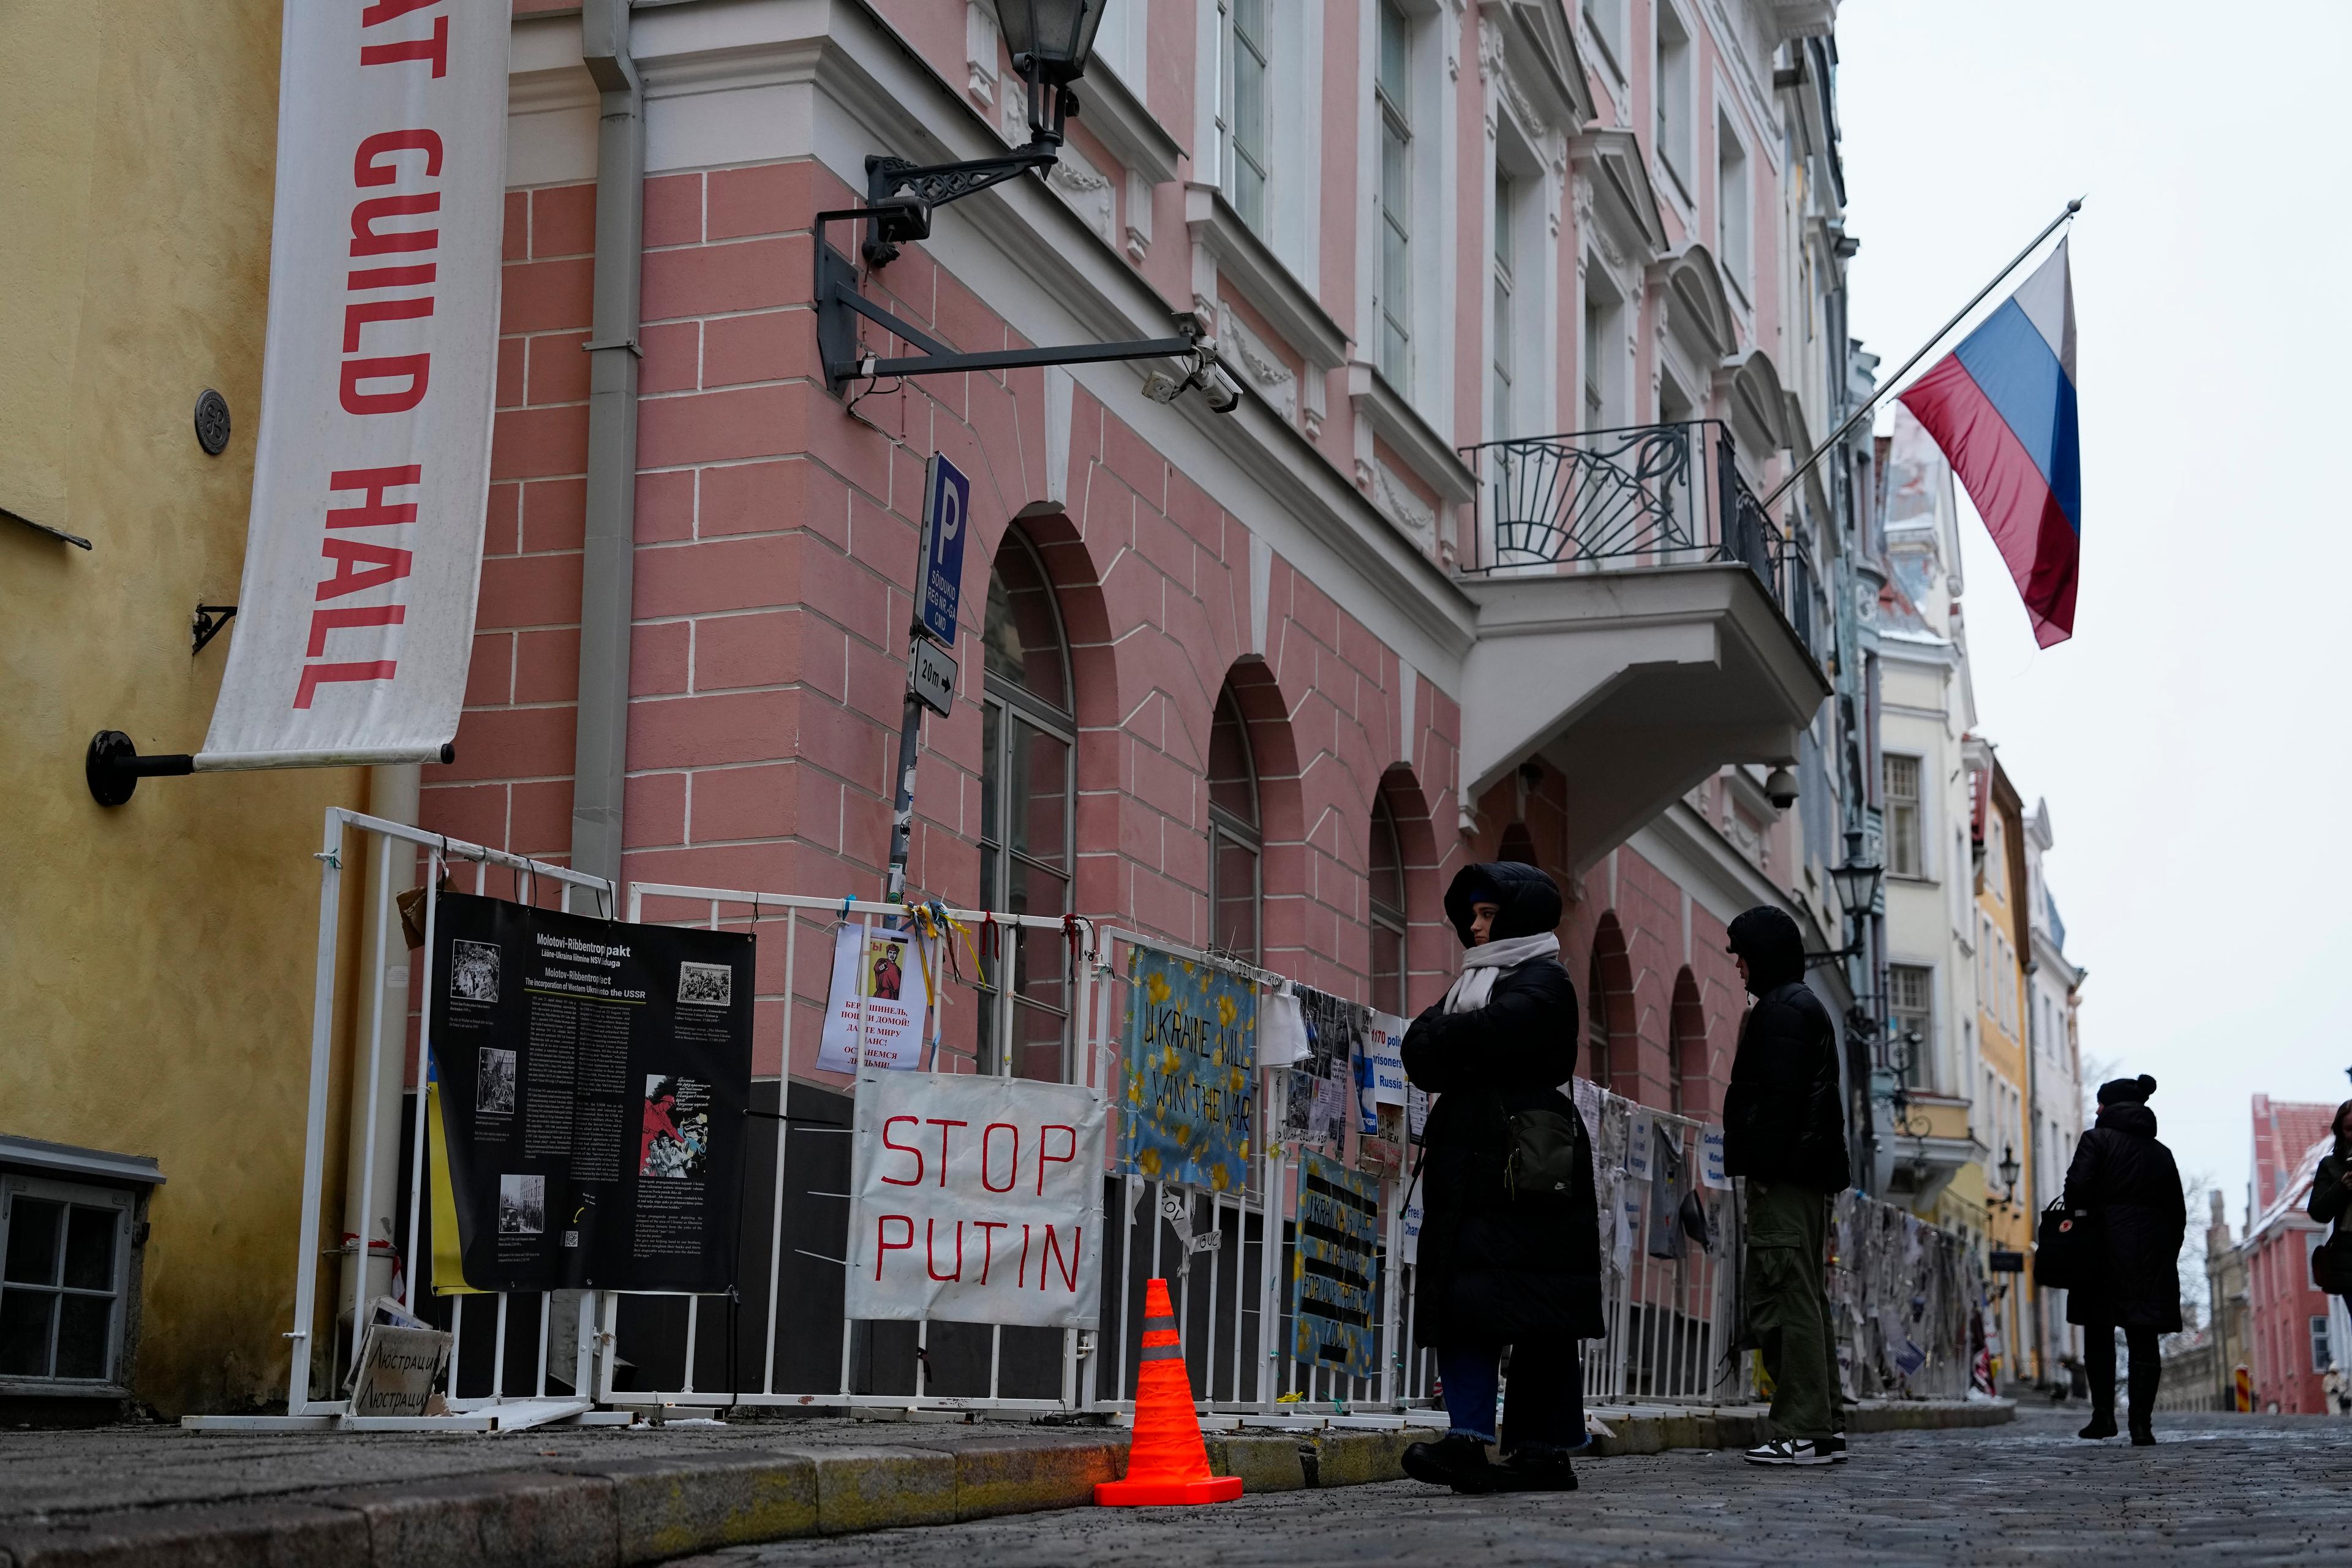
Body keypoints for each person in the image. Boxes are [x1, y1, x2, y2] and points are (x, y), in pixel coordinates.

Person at [1398, 862, 1602, 1496]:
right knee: (1464, 1304)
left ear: (1517, 916)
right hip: (1469, 1170)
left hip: (1528, 1166)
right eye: (1474, 914)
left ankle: (1544, 1450)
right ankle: (1467, 1439)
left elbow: (1495, 1033)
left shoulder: (1546, 980)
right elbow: (1418, 1051)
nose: (1475, 926)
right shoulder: (1475, 983)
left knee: (1540, 1312)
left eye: (1488, 915)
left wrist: (1450, 1038)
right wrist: (1454, 1040)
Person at [1722, 905, 1850, 1467]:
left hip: (1785, 1177)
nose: (1739, 968)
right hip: (1804, 1174)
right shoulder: (1802, 1006)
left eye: (1742, 956)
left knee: (1783, 1297)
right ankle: (1824, 1427)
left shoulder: (1780, 1011)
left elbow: (1776, 1104)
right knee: (1806, 1297)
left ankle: (1801, 1427)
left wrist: (1758, 1161)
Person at [2063, 1073, 2187, 1445]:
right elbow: (2177, 1213)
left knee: (2099, 1333)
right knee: (2144, 1339)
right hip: (2150, 1255)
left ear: (2108, 1107)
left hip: (2099, 1251)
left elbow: (2076, 1191)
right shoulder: (2161, 1153)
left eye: (2100, 1102)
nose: (2097, 1108)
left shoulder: (2096, 1141)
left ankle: (2103, 1417)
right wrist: (2165, 1252)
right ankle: (2141, 1425)